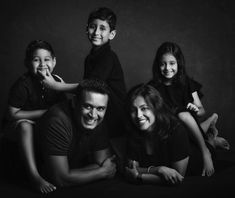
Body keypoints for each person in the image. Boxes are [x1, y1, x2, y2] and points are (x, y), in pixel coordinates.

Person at [39, 7, 127, 138]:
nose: (96, 32)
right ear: (87, 29)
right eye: (93, 26)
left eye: (102, 28)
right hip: (95, 108)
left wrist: (57, 86)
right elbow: (86, 87)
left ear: (112, 34)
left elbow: (91, 87)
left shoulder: (108, 56)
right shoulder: (90, 57)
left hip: (113, 113)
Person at [149, 41, 230, 177]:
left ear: (178, 64)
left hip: (188, 123)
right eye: (163, 64)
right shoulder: (153, 87)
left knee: (183, 114)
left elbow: (201, 110)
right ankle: (211, 138)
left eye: (172, 63)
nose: (167, 68)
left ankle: (206, 150)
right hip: (172, 131)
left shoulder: (186, 83)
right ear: (158, 65)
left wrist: (196, 109)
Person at [3, 40, 66, 193]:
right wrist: (44, 113)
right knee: (26, 126)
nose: (42, 64)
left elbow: (63, 108)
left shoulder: (57, 81)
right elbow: (11, 114)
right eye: (36, 60)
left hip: (43, 127)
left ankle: (59, 168)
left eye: (47, 59)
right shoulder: (23, 84)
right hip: (17, 126)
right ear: (27, 63)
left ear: (54, 61)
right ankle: (34, 175)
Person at [36, 79, 116, 187]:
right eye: (88, 106)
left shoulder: (97, 119)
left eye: (100, 108)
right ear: (74, 102)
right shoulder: (57, 120)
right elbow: (60, 179)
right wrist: (102, 172)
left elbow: (103, 162)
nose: (93, 114)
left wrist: (70, 174)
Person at [125, 84, 191, 185]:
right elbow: (131, 168)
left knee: (209, 145)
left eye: (144, 108)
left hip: (196, 162)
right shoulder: (133, 131)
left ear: (156, 108)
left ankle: (212, 140)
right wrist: (158, 169)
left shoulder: (176, 131)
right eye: (133, 110)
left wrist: (140, 177)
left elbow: (177, 178)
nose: (138, 115)